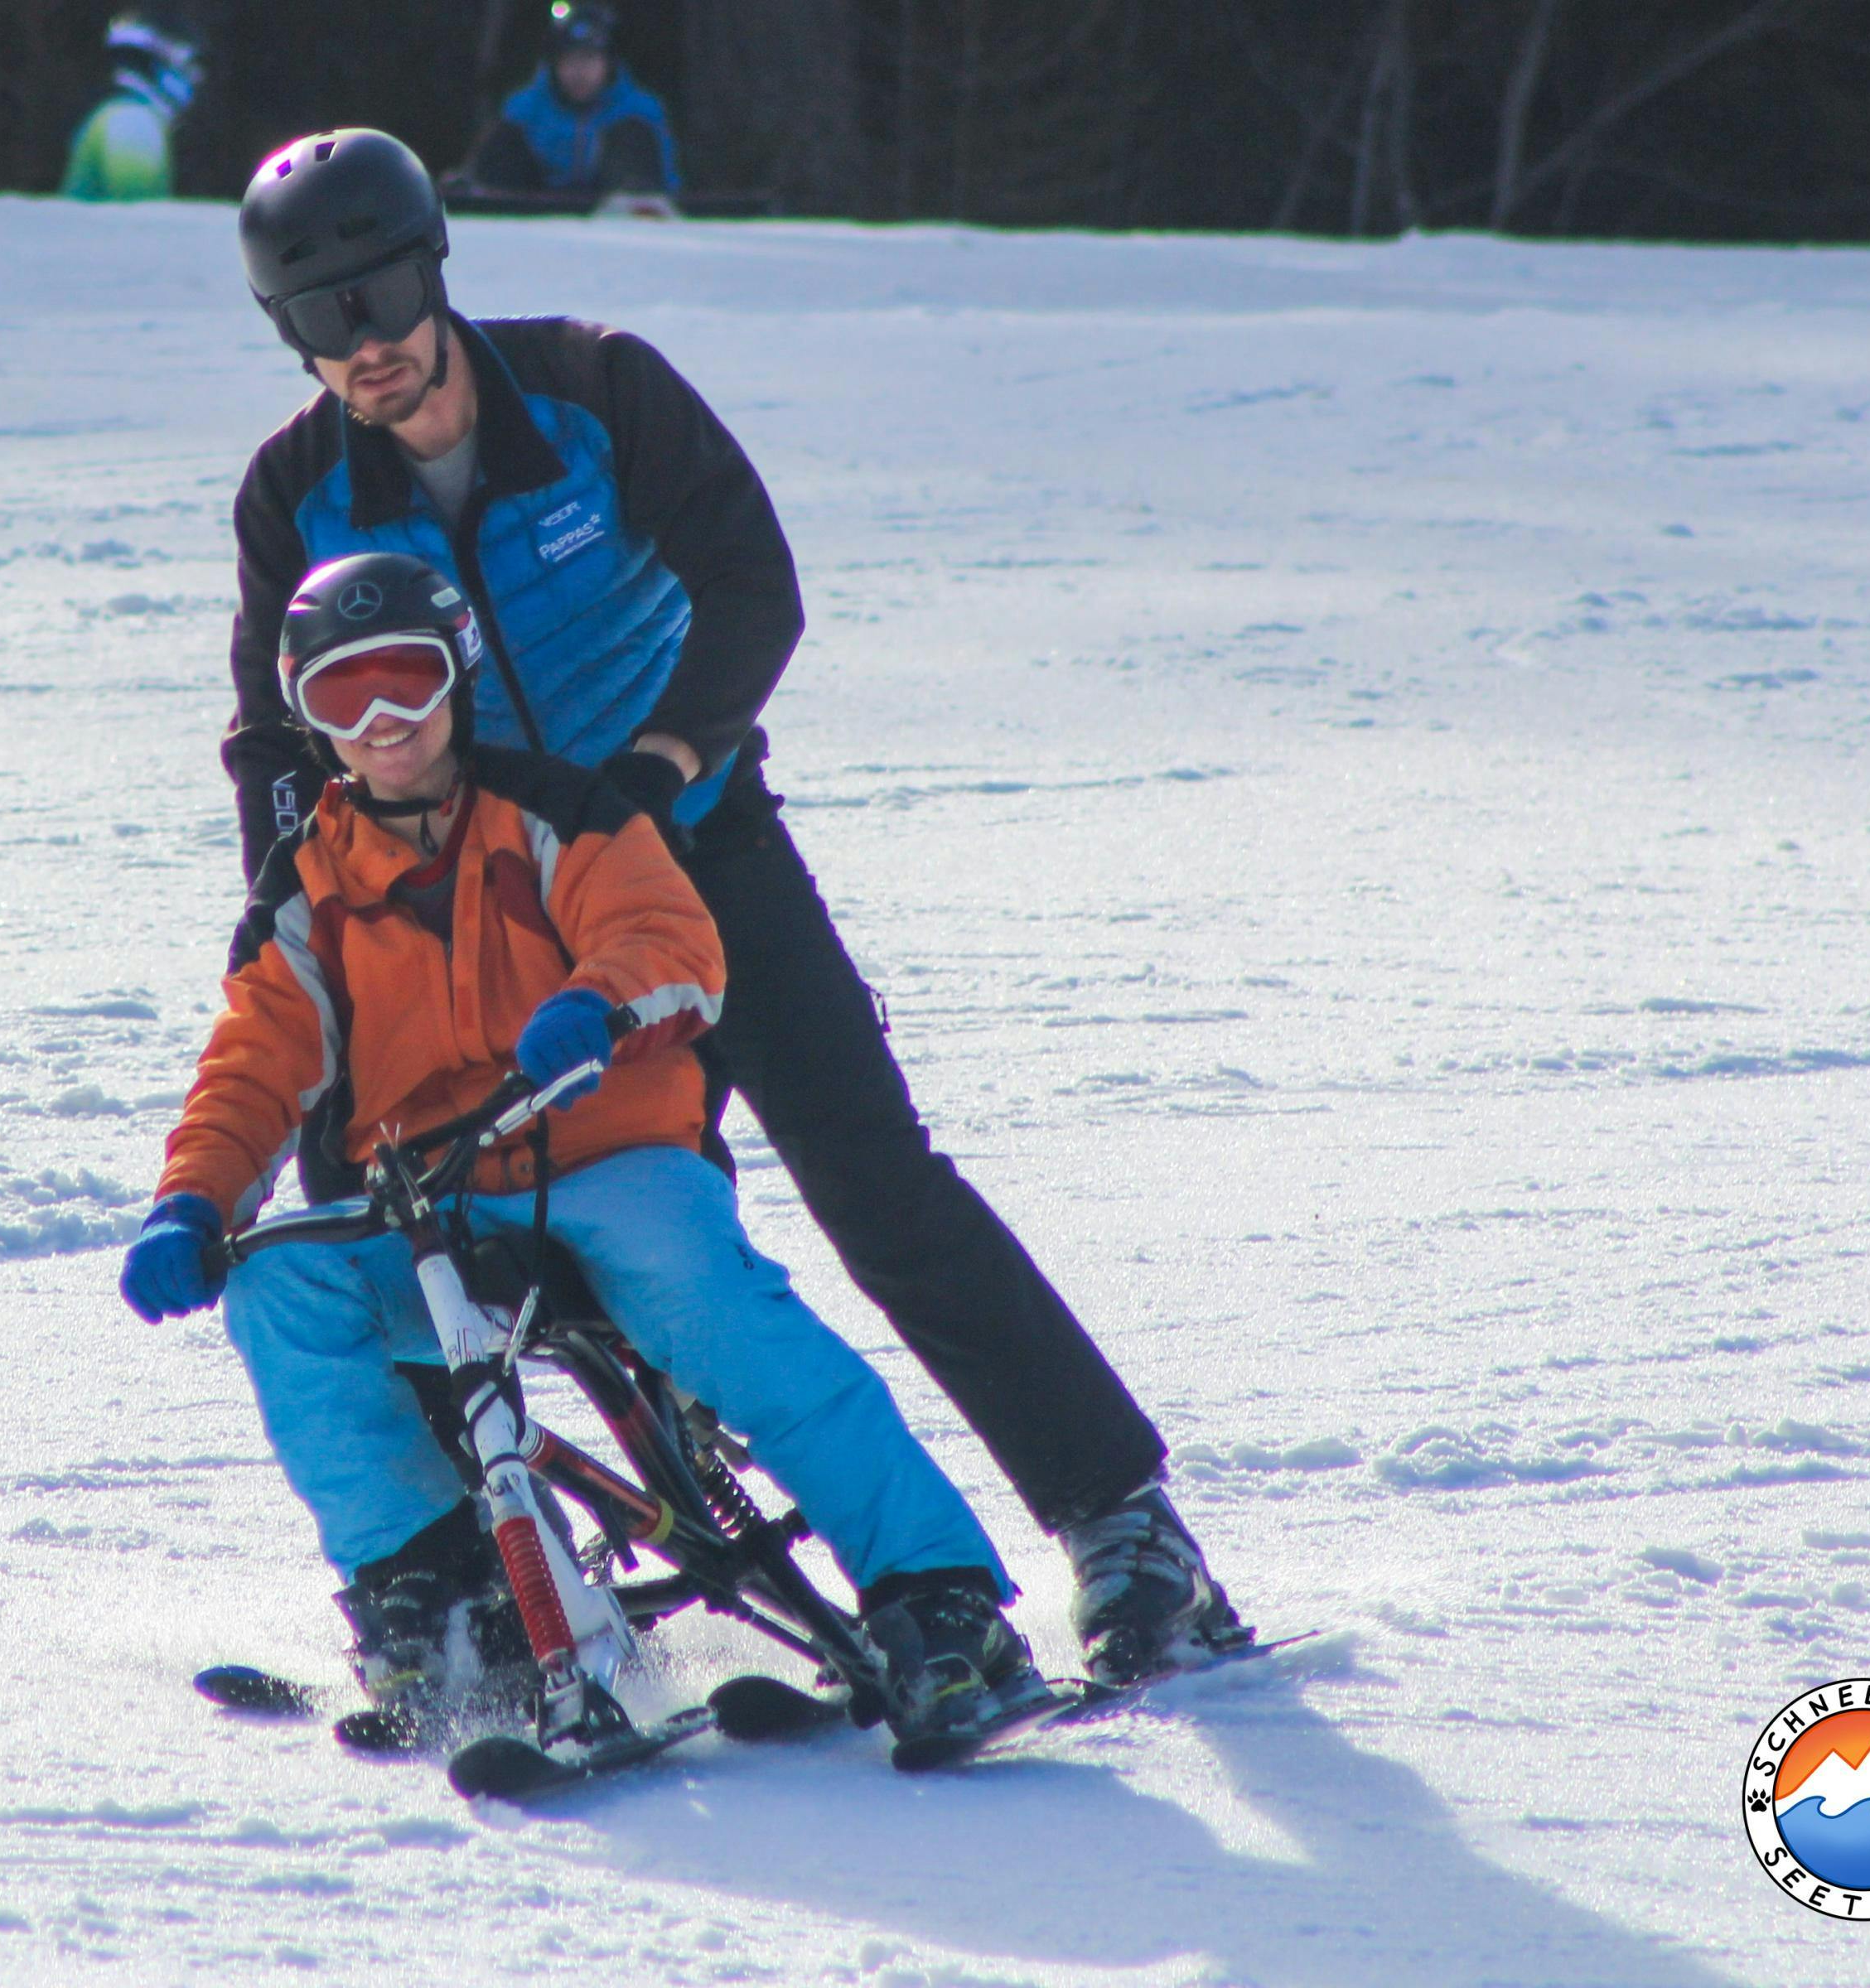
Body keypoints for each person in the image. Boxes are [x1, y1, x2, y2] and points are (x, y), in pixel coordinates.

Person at [213, 128, 1255, 1687]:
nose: (363, 346)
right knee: (407, 1213)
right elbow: (273, 732)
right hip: (487, 910)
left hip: (700, 848)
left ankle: (1123, 1525)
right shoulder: (298, 490)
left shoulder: (594, 388)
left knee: (876, 1186)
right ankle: (486, 1589)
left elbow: (752, 583)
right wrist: (296, 914)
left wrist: (660, 759)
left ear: (434, 270)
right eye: (318, 320)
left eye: (378, 297)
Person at [121, 550, 1053, 1749]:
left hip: (605, 1161)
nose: (383, 724)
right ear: (307, 718)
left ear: (457, 680)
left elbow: (669, 934)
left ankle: (938, 1599)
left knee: (712, 1307)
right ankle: (443, 1599)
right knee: (284, 1286)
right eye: (345, 700)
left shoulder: (560, 813)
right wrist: (193, 1202)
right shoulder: (307, 886)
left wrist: (601, 1003)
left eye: (406, 684)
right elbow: (256, 1061)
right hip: (436, 1200)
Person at [457, 1, 678, 200]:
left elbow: (668, 180)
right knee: (507, 141)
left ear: (608, 63)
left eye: (589, 59)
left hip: (614, 221)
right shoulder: (523, 110)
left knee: (632, 137)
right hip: (535, 214)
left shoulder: (639, 111)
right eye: (570, 60)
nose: (579, 72)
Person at [60, 10, 203, 203]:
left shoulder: (115, 115)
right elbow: (137, 222)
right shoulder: (133, 123)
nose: (197, 78)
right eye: (189, 65)